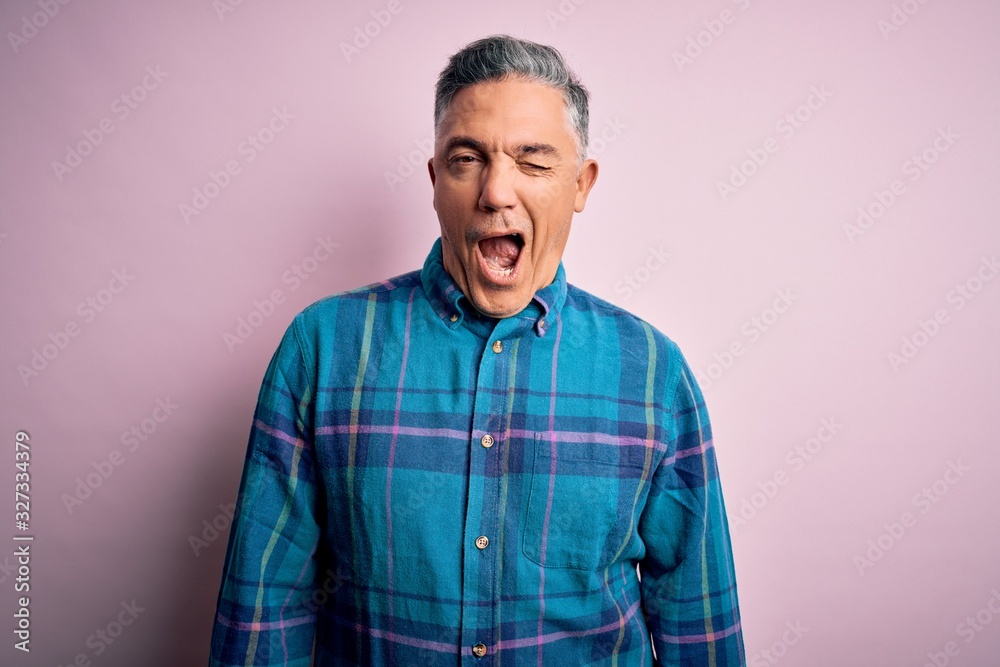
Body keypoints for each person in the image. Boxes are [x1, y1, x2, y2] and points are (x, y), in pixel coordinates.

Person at [209, 34, 744, 666]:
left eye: (533, 162)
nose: (495, 192)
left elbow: (697, 625)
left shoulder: (655, 374)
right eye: (467, 159)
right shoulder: (322, 350)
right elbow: (264, 611)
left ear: (581, 184)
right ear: (436, 181)